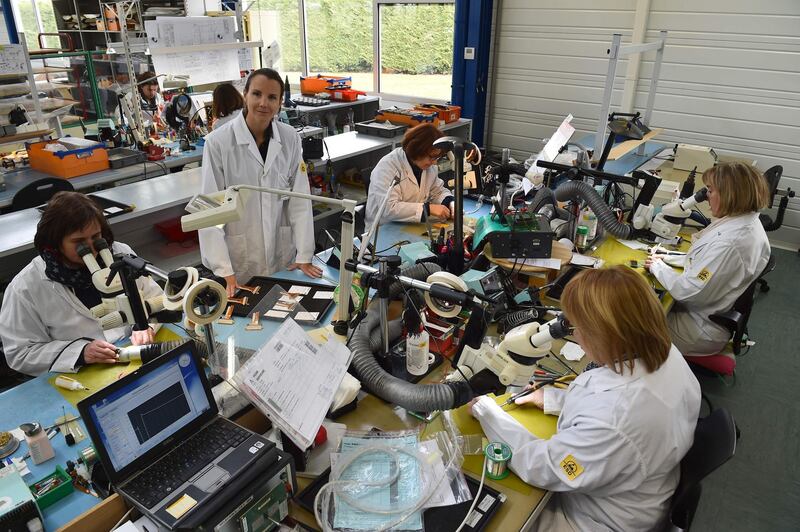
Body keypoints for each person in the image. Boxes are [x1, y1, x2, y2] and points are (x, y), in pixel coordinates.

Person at [471, 266, 701, 531]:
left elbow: (543, 467)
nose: (574, 334)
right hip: (635, 486)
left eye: (575, 326)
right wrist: (552, 399)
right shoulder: (663, 350)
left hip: (594, 519)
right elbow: (605, 400)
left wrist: (487, 413)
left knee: (496, 518)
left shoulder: (615, 419)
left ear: (605, 334)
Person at [0, 192, 161, 376]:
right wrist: (80, 352)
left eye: (96, 237)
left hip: (137, 352)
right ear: (55, 243)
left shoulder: (121, 254)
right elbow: (19, 353)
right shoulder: (26, 286)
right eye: (79, 242)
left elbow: (154, 298)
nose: (91, 249)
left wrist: (145, 325)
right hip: (84, 372)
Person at [199, 68, 321, 297]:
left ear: (280, 103)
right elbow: (209, 211)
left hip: (281, 253)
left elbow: (300, 199)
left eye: (272, 97)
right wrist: (223, 269)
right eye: (257, 94)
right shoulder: (218, 143)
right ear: (245, 95)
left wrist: (304, 254)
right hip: (239, 259)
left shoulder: (290, 138)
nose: (263, 103)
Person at [646, 161, 770, 356]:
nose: (706, 197)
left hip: (696, 328)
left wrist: (658, 267)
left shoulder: (731, 242)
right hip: (709, 310)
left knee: (624, 322)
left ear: (730, 195)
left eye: (710, 191)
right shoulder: (745, 221)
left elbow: (688, 290)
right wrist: (669, 256)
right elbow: (705, 263)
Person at [365, 123, 454, 227]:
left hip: (410, 225)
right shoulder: (387, 167)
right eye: (432, 157)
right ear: (418, 150)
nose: (434, 163)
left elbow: (437, 192)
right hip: (382, 230)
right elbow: (389, 208)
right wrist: (428, 209)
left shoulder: (428, 167)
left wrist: (450, 203)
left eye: (436, 157)